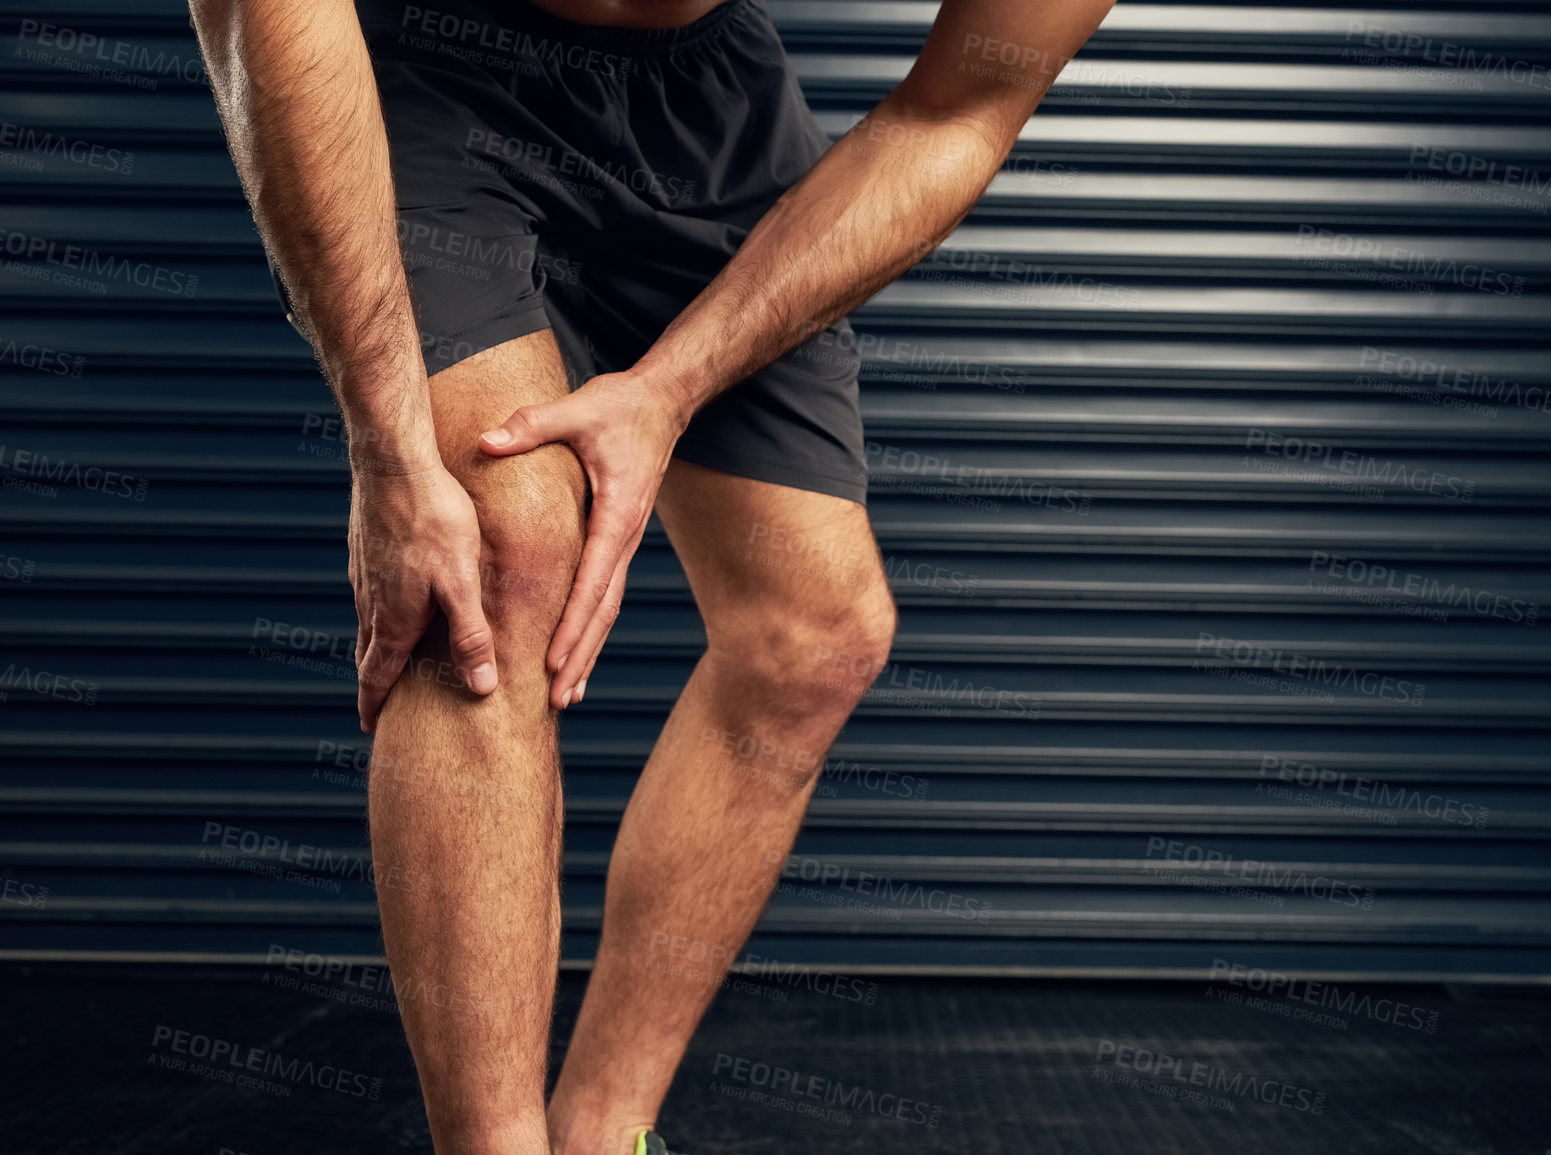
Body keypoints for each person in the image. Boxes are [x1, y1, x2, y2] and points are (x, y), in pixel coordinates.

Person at [189, 0, 1115, 1152]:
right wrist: (389, 446)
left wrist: (668, 387)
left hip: (704, 98)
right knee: (497, 549)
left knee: (817, 635)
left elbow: (959, 108)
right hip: (431, 60)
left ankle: (603, 1136)